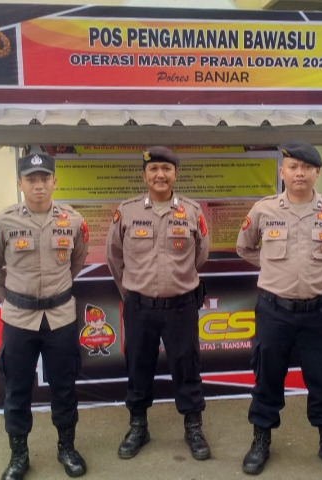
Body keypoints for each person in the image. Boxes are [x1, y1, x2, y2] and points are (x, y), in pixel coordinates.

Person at [236, 141, 322, 477]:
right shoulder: (264, 210)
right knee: (267, 378)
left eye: (306, 167)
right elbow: (244, 247)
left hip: (319, 313)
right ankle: (261, 440)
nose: (299, 173)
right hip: (274, 311)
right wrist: (275, 270)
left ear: (317, 172)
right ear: (283, 171)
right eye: (293, 167)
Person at [0, 152, 89, 480]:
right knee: (17, 388)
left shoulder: (73, 221)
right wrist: (14, 299)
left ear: (55, 181)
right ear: (20, 183)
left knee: (64, 387)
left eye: (44, 178)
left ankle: (66, 448)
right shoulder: (2, 222)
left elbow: (77, 262)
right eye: (31, 179)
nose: (38, 185)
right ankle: (19, 455)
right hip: (19, 321)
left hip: (60, 319)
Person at [105, 146, 211, 461]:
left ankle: (193, 427)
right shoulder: (127, 212)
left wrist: (177, 281)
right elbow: (114, 257)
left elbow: (201, 254)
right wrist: (133, 292)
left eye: (166, 169)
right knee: (138, 366)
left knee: (187, 366)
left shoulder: (192, 211)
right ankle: (138, 426)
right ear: (144, 175)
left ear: (175, 174)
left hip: (181, 306)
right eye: (153, 169)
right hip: (140, 307)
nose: (160, 175)